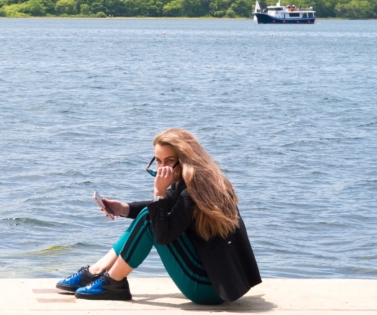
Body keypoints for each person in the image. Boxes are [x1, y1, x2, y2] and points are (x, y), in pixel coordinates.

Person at [56, 128, 261, 303]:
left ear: (185, 160)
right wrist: (122, 208)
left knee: (149, 218)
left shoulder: (193, 190)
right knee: (150, 213)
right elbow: (169, 207)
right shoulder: (197, 181)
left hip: (207, 288)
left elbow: (161, 235)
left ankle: (113, 281)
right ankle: (98, 271)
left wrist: (158, 193)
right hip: (216, 280)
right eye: (159, 161)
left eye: (169, 161)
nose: (162, 168)